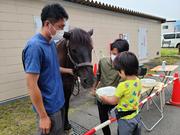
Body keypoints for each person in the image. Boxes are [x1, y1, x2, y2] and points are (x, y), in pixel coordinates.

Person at [22, 3, 72, 135]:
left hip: (59, 103)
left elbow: (53, 68)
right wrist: (43, 116)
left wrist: (70, 71)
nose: (62, 31)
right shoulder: (34, 47)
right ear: (47, 24)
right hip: (48, 109)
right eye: (60, 27)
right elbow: (31, 85)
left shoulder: (51, 44)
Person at [92, 39, 129, 135]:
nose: (115, 57)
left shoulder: (125, 68)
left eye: (118, 55)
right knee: (104, 121)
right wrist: (94, 88)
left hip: (117, 99)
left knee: (121, 121)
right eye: (113, 53)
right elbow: (98, 75)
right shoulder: (103, 61)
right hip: (102, 97)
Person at [100, 51, 142, 135]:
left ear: (122, 71)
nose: (118, 74)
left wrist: (105, 98)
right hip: (136, 115)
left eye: (118, 72)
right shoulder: (138, 80)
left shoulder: (122, 85)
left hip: (125, 120)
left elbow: (114, 101)